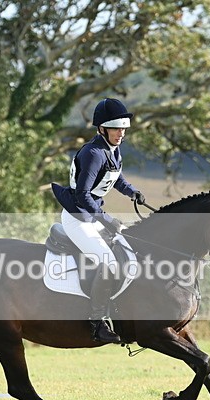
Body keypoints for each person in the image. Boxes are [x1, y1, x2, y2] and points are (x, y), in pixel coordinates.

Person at [51, 98, 146, 343]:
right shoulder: (93, 153)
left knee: (127, 254)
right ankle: (97, 323)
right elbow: (82, 196)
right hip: (78, 218)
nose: (121, 134)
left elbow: (116, 177)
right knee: (110, 265)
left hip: (91, 215)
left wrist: (132, 191)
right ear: (102, 129)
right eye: (116, 129)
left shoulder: (111, 149)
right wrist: (107, 220)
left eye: (123, 129)